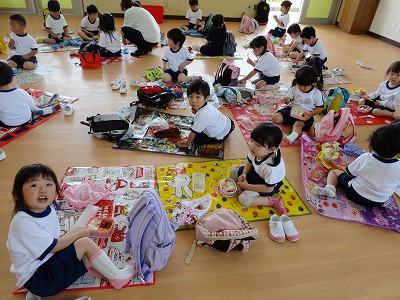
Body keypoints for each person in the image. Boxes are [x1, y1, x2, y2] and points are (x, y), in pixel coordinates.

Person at [6, 164, 135, 298]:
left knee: (78, 230)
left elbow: (53, 240)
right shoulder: (23, 223)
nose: (43, 189)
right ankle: (118, 278)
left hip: (45, 264)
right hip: (41, 281)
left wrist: (76, 233)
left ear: (56, 190)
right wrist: (78, 235)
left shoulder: (47, 209)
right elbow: (53, 246)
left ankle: (87, 264)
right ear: (18, 194)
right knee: (84, 242)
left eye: (49, 184)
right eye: (34, 185)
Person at [229, 123, 299, 242]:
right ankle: (244, 182)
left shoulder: (271, 168)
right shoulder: (257, 152)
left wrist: (247, 186)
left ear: (272, 149)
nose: (252, 146)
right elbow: (250, 162)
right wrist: (244, 174)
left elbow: (268, 189)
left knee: (244, 199)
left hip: (266, 185)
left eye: (257, 145)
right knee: (233, 171)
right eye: (251, 141)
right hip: (255, 174)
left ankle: (272, 201)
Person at [312, 123, 400, 207]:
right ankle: (383, 201)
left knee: (334, 172)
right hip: (379, 201)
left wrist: (347, 166)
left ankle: (330, 189)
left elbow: (349, 173)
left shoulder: (366, 158)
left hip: (355, 194)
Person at [272, 65, 324, 144]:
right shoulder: (295, 87)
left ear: (313, 83)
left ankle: (292, 136)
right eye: (300, 85)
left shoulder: (317, 93)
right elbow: (288, 99)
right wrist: (287, 100)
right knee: (275, 118)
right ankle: (292, 122)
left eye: (305, 86)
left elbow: (320, 108)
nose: (302, 88)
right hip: (292, 110)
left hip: (305, 115)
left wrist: (311, 114)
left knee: (297, 125)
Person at [176, 79, 234, 147]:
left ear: (206, 98)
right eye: (191, 97)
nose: (194, 100)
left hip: (219, 136)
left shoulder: (203, 115)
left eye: (198, 97)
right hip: (229, 124)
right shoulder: (206, 105)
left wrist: (186, 143)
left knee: (196, 136)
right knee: (197, 123)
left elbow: (193, 132)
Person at [0, 62, 55, 128]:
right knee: (31, 108)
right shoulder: (21, 91)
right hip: (27, 120)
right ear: (12, 79)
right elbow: (32, 104)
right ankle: (40, 111)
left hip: (8, 124)